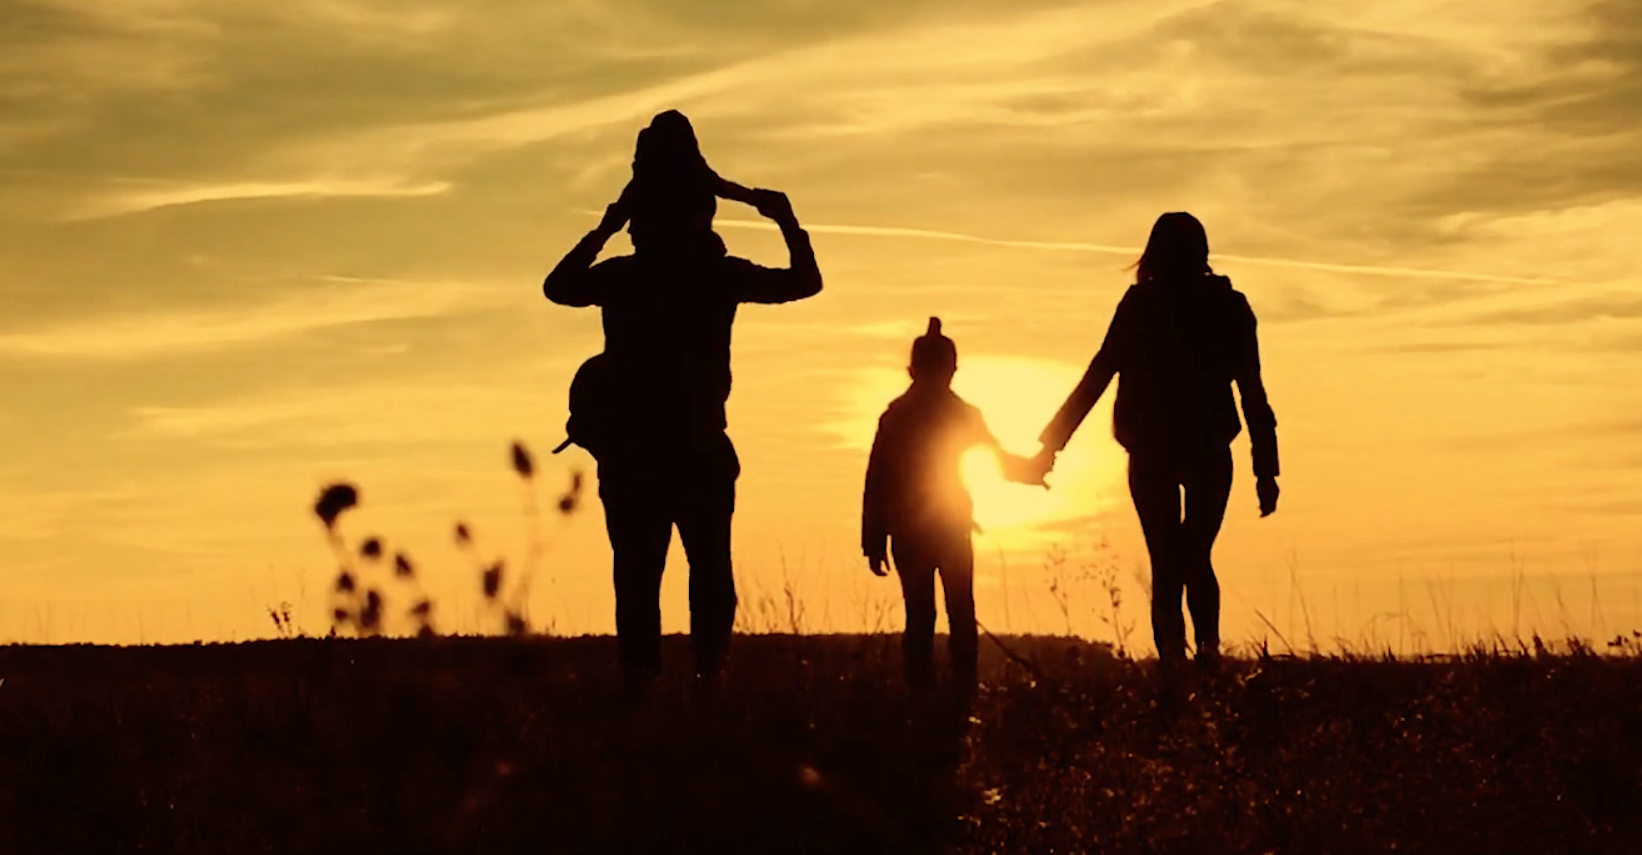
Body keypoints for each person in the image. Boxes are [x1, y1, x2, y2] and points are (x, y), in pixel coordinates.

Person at [542, 112, 822, 688]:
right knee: (706, 579)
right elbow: (804, 280)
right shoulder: (717, 276)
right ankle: (705, 689)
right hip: (694, 450)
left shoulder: (625, 276)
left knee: (639, 584)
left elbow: (560, 286)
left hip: (638, 458)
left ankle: (650, 697)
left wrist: (606, 224)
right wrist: (783, 217)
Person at [1032, 212, 1277, 665]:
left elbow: (1097, 376)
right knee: (1192, 556)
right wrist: (1266, 469)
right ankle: (1203, 655)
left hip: (1156, 452)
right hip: (1200, 451)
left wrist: (1050, 448)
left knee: (1170, 559)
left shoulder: (1142, 307)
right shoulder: (1227, 307)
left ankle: (1179, 665)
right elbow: (1252, 393)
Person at [860, 318, 1045, 691]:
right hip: (946, 527)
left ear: (913, 368)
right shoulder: (958, 413)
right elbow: (1000, 462)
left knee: (926, 614)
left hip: (916, 529)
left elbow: (876, 481)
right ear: (951, 369)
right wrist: (1031, 470)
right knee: (957, 611)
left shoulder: (897, 414)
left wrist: (874, 538)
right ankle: (957, 692)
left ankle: (928, 692)